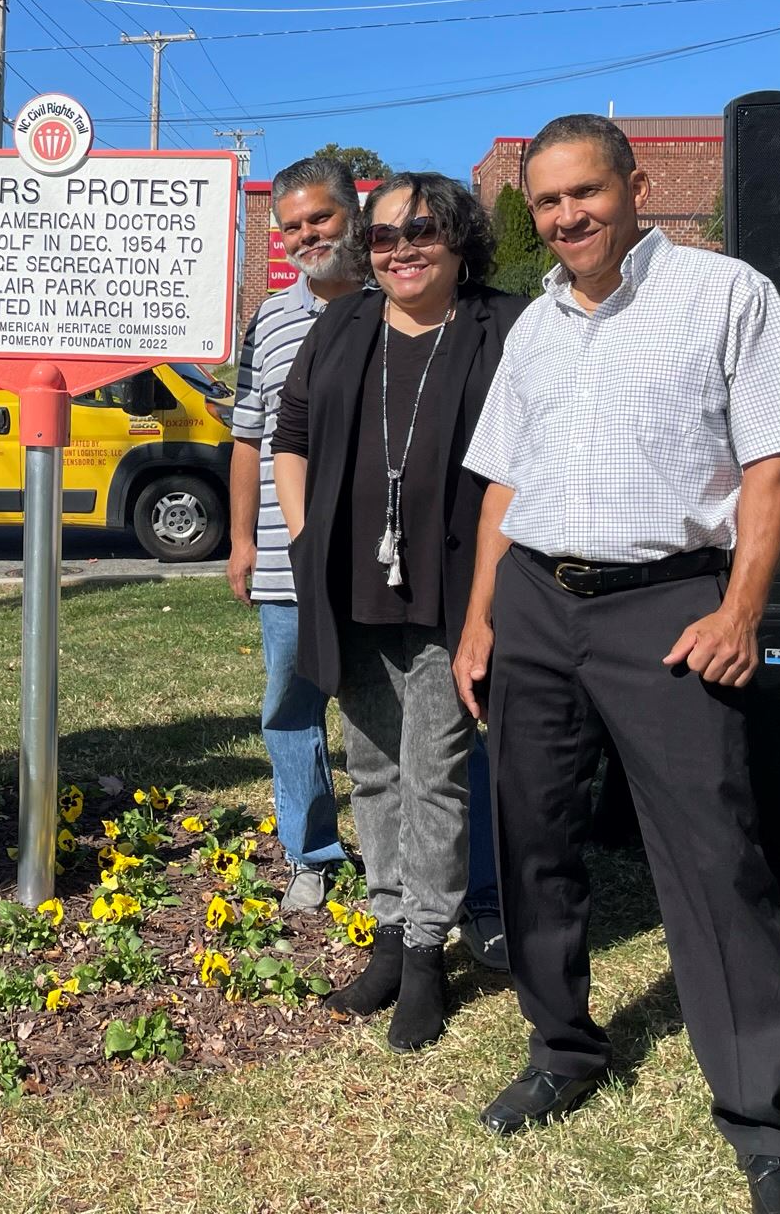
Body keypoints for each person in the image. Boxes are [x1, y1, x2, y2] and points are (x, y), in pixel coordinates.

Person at [456, 115, 780, 1214]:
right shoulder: (533, 326)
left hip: (664, 605)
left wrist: (740, 611)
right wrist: (480, 620)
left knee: (710, 860)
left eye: (586, 192)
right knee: (530, 840)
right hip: (533, 600)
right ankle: (560, 1050)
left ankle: (765, 1126)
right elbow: (499, 489)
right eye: (546, 202)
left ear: (636, 183)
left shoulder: (721, 296)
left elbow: (769, 466)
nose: (567, 216)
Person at [273, 170, 526, 1051]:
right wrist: (307, 542)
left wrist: (492, 605)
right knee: (374, 768)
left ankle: (426, 954)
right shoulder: (343, 322)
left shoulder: (504, 325)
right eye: (383, 237)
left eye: (421, 231)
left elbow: (521, 465)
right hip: (350, 589)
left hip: (455, 591)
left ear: (459, 239)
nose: (401, 249)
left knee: (436, 773)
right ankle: (387, 934)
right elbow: (292, 436)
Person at [227, 157, 369, 913]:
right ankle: (311, 852)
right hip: (287, 558)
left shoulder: (399, 300)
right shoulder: (272, 318)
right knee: (290, 703)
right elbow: (248, 434)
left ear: (354, 212)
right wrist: (243, 540)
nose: (307, 235)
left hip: (381, 555)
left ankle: (393, 849)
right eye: (291, 227)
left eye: (320, 218)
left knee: (386, 708)